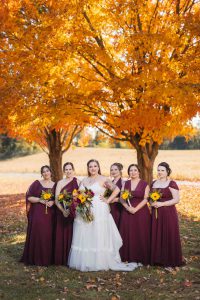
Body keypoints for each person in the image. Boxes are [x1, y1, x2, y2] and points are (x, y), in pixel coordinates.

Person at [68, 159, 140, 271]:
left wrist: (108, 200)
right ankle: (86, 261)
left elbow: (117, 189)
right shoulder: (83, 180)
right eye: (90, 166)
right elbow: (78, 194)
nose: (93, 168)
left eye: (95, 166)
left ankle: (99, 261)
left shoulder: (103, 179)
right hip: (84, 209)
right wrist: (77, 200)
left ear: (98, 167)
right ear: (88, 168)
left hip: (99, 208)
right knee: (85, 232)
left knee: (97, 232)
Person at [105, 164, 151, 265]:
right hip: (127, 211)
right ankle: (127, 256)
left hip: (141, 211)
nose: (133, 172)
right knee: (128, 234)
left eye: (135, 170)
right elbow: (121, 198)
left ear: (139, 172)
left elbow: (146, 198)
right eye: (131, 170)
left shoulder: (144, 184)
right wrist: (128, 208)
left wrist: (136, 209)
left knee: (141, 234)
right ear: (128, 172)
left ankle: (141, 257)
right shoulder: (126, 183)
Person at [21, 166, 56, 266]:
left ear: (51, 172)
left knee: (48, 234)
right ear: (41, 174)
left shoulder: (55, 185)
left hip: (50, 214)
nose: (46, 173)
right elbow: (29, 197)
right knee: (38, 232)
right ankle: (35, 257)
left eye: (47, 171)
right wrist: (40, 200)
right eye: (43, 172)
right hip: (37, 213)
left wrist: (52, 201)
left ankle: (47, 257)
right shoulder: (37, 183)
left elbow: (57, 198)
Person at [150, 162, 183, 267]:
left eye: (162, 170)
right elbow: (149, 198)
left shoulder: (171, 183)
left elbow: (176, 199)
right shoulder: (153, 183)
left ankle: (169, 259)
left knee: (168, 233)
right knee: (156, 233)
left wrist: (162, 203)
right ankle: (156, 259)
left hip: (168, 213)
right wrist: (152, 203)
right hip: (155, 212)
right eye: (158, 170)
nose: (160, 172)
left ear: (167, 171)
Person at [54, 162, 79, 265]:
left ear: (73, 170)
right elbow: (56, 199)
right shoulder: (60, 182)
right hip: (62, 212)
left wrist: (76, 208)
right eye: (66, 169)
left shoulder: (78, 181)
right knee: (62, 233)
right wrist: (63, 210)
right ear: (64, 171)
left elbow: (82, 198)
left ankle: (71, 259)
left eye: (70, 169)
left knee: (73, 234)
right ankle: (61, 258)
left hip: (74, 213)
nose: (68, 171)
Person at [109, 163, 123, 228]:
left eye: (115, 169)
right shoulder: (110, 182)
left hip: (118, 207)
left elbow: (126, 197)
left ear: (120, 170)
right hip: (110, 207)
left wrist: (116, 199)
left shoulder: (123, 182)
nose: (113, 171)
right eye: (111, 170)